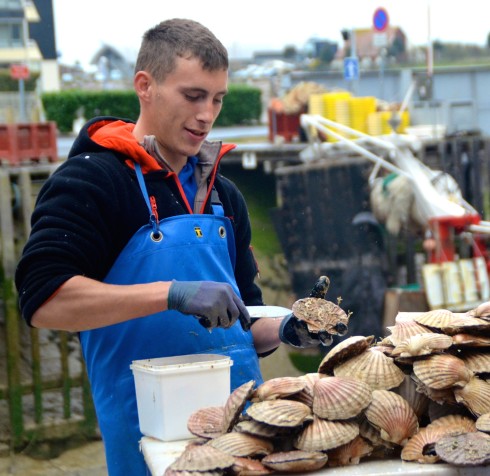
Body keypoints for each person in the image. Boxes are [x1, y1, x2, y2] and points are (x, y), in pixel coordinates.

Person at [15, 18, 324, 475]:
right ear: (146, 85)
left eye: (217, 99)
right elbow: (43, 299)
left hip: (247, 433)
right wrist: (171, 293)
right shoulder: (92, 181)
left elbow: (243, 321)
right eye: (193, 95)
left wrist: (284, 330)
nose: (207, 114)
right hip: (151, 439)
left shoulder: (225, 195)